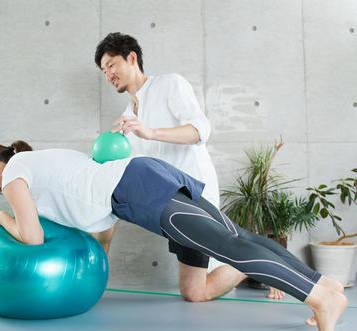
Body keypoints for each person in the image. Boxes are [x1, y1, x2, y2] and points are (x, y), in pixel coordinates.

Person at [0, 141, 346, 331]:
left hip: (137, 189)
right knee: (238, 238)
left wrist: (1, 217)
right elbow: (93, 208)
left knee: (230, 246)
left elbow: (34, 238)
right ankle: (325, 286)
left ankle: (321, 300)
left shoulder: (15, 172)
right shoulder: (41, 163)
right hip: (140, 179)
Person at [93, 32, 285, 301]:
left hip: (196, 196)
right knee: (194, 292)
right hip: (168, 204)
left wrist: (151, 132)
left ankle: (263, 261)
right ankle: (251, 263)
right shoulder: (126, 118)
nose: (108, 75)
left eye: (111, 65)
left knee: (198, 290)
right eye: (103, 71)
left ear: (132, 58)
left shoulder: (170, 84)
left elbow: (200, 131)